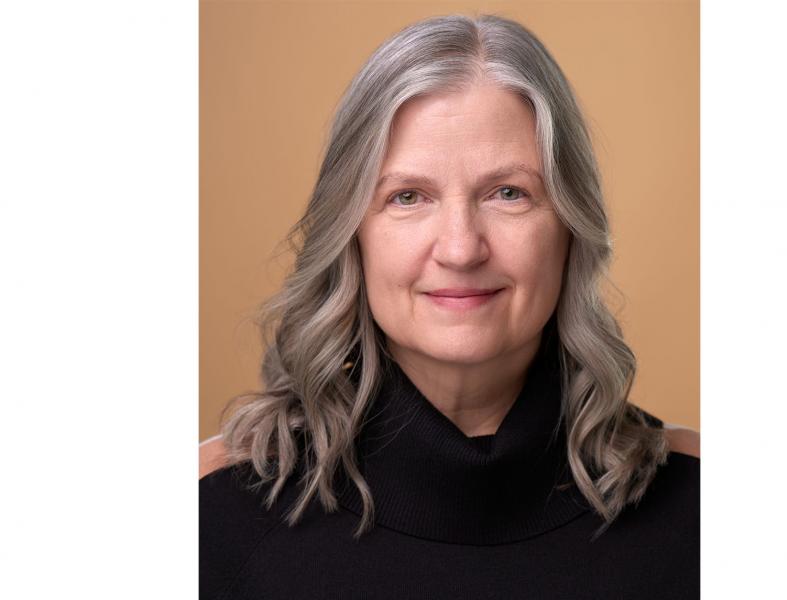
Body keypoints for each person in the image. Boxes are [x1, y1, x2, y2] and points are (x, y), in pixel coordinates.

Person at [200, 13, 699, 599]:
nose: (461, 249)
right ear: (351, 233)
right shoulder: (209, 516)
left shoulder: (708, 509)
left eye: (508, 193)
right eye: (407, 197)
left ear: (572, 226)